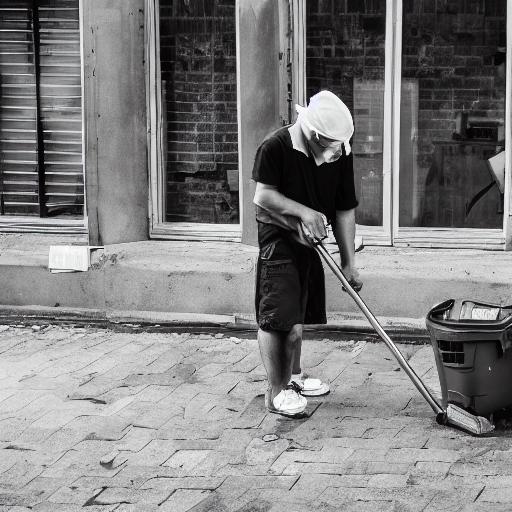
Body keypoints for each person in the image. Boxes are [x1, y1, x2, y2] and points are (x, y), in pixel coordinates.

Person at [252, 90, 363, 417]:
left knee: (298, 318)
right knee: (279, 320)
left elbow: (344, 208)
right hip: (278, 239)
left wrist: (349, 263)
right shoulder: (275, 147)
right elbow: (263, 196)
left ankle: (295, 377)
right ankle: (277, 390)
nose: (336, 153)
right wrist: (305, 213)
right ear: (314, 134)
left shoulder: (339, 151)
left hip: (309, 240)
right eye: (330, 145)